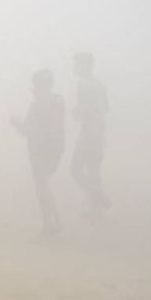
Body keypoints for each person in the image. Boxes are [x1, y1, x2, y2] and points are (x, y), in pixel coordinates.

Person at [12, 69, 65, 236]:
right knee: (44, 186)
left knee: (42, 188)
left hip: (39, 151)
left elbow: (26, 130)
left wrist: (15, 122)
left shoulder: (36, 106)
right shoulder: (59, 102)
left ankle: (50, 225)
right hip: (55, 150)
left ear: (39, 85)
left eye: (35, 85)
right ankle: (54, 222)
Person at [70, 52, 110, 217]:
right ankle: (96, 208)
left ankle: (98, 197)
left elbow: (82, 111)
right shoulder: (99, 84)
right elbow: (106, 107)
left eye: (76, 64)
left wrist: (76, 112)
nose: (74, 68)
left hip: (88, 131)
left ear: (85, 65)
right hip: (100, 130)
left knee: (75, 169)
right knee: (93, 169)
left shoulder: (83, 84)